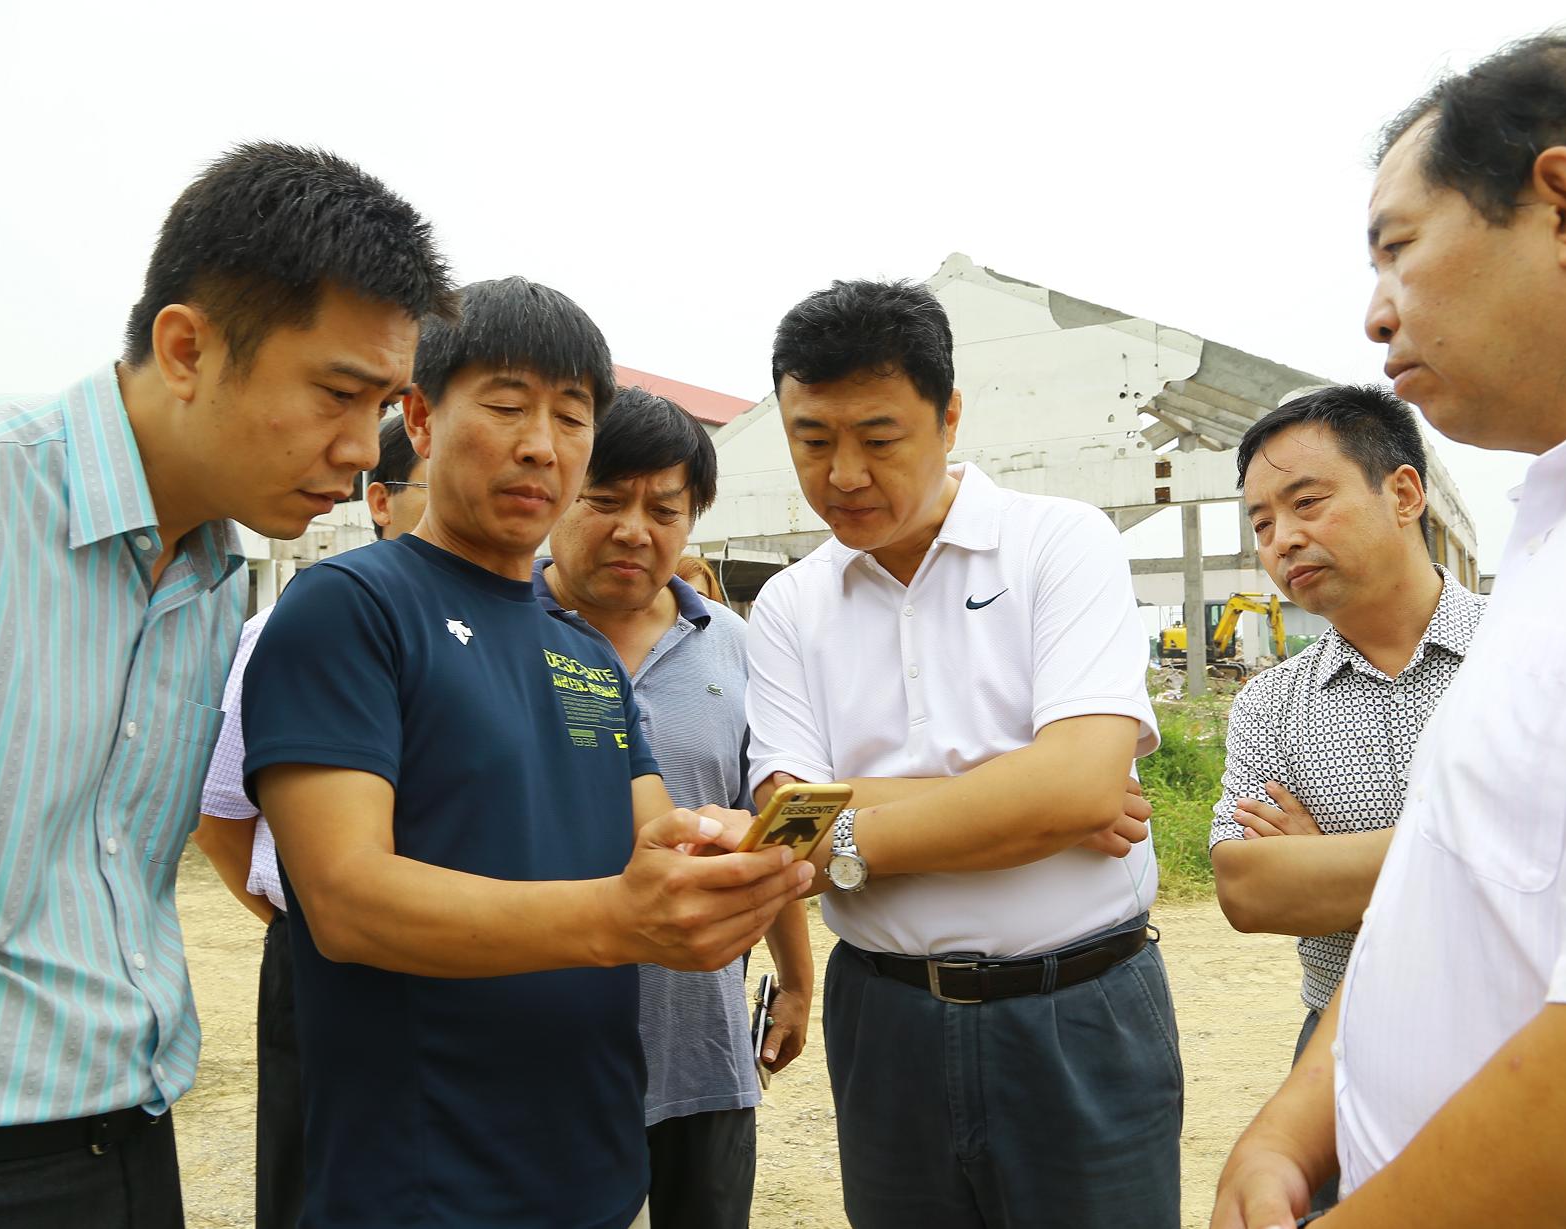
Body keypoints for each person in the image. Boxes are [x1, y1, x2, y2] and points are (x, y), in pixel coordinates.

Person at [1211, 33, 1566, 1229]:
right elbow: (1448, 892)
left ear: (1564, 205)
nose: (1373, 307)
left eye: (1396, 245)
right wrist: (1299, 1117)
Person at [0, 142, 452, 1227]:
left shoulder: (209, 579)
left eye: (383, 401)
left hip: (127, 1143)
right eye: (337, 393)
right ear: (186, 345)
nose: (358, 449)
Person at [240, 278, 813, 1229]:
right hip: (422, 1179)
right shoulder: (352, 608)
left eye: (572, 416)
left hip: (593, 1158)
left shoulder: (582, 651)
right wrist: (621, 918)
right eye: (506, 406)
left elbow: (651, 835)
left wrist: (723, 854)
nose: (541, 443)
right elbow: (343, 902)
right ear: (420, 418)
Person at [744, 278, 1179, 1228]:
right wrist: (1029, 792)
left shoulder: (1059, 545)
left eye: (879, 437)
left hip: (1078, 1006)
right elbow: (787, 832)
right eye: (811, 440)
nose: (844, 473)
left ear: (948, 418)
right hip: (886, 1019)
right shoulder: (788, 606)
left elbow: (1073, 788)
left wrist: (850, 832)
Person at [535, 386, 814, 1229]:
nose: (634, 529)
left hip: (702, 1045)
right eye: (606, 498)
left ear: (694, 517)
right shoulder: (503, 632)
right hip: (542, 1048)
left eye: (665, 507)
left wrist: (798, 980)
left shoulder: (736, 648)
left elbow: (756, 830)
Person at [1207, 385, 1487, 1213]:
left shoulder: (1527, 658)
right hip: (1344, 1047)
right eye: (1261, 523)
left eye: (1307, 502)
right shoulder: (1271, 701)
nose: (1283, 537)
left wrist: (1330, 867)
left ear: (1404, 493)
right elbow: (1247, 888)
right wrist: (1482, 857)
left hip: (1526, 1030)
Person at [191, 413, 427, 1229]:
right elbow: (221, 818)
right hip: (319, 951)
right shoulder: (300, 623)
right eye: (436, 482)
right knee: (309, 1175)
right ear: (382, 501)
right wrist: (298, 916)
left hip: (462, 956)